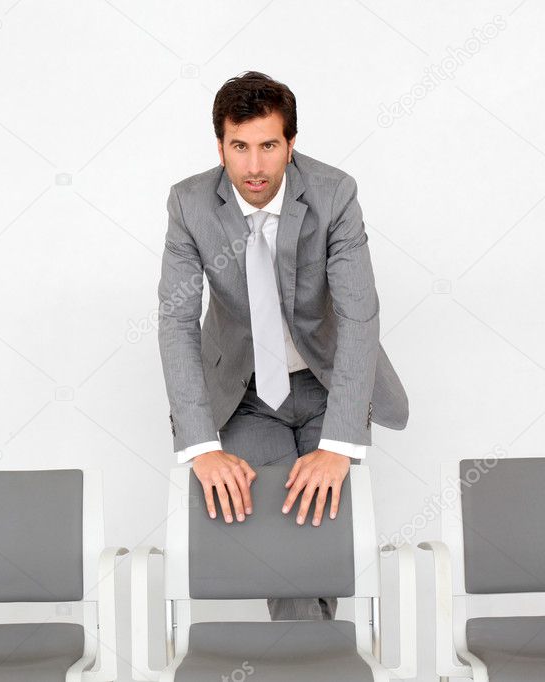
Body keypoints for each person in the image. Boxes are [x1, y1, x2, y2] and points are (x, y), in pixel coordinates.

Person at [157, 70, 409, 621]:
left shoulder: (334, 194)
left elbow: (359, 315)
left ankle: (304, 655)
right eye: (239, 147)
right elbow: (176, 320)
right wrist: (201, 446)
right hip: (247, 395)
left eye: (269, 146)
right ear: (220, 145)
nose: (254, 166)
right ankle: (321, 655)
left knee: (321, 532)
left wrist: (340, 444)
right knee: (283, 532)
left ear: (290, 144)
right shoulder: (189, 204)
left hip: (327, 382)